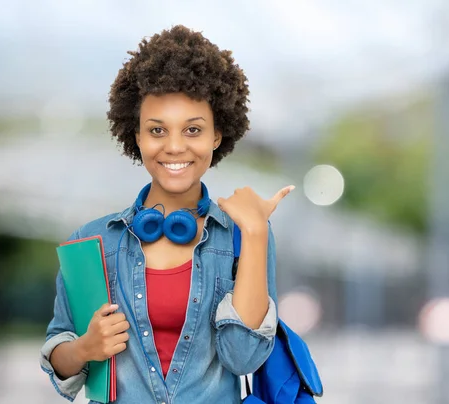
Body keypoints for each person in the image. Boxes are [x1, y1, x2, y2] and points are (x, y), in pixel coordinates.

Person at [39, 24, 293, 404]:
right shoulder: (91, 242)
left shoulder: (243, 235)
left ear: (217, 136)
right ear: (137, 136)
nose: (175, 147)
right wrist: (85, 349)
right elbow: (59, 352)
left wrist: (256, 232)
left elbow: (243, 359)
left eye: (193, 130)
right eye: (157, 130)